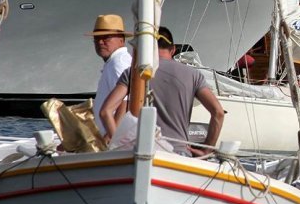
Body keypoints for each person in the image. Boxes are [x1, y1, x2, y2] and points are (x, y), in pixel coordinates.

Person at [100, 26, 225, 156]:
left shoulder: (134, 73)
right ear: (173, 50)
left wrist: (119, 146)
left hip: (142, 151)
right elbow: (218, 113)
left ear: (147, 49)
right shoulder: (193, 75)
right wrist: (207, 149)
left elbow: (106, 112)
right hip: (178, 153)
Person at [87, 14, 132, 132]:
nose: (100, 42)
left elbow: (126, 102)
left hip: (116, 141)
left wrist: (111, 136)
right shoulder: (115, 61)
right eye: (96, 38)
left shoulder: (118, 62)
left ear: (121, 40)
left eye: (106, 38)